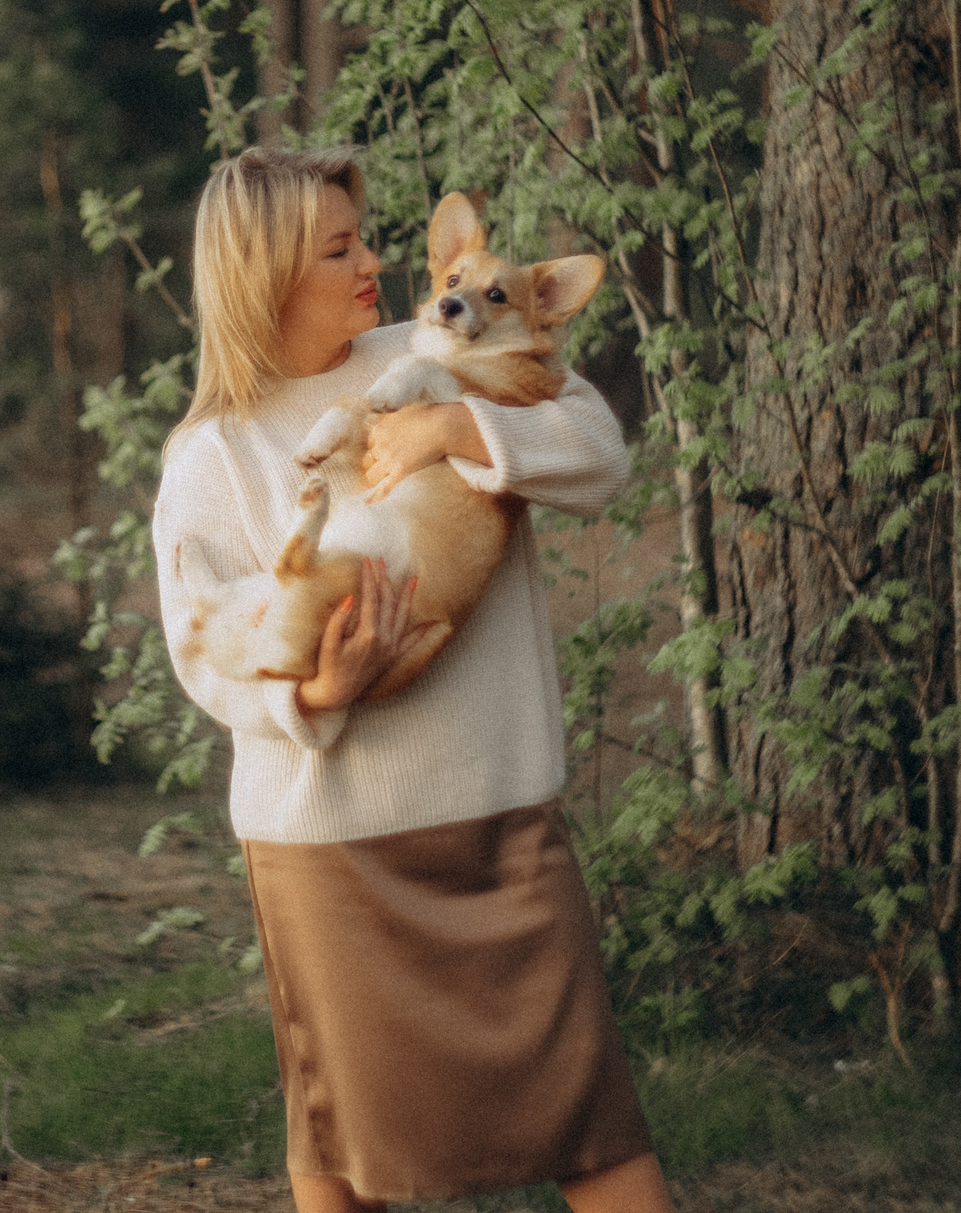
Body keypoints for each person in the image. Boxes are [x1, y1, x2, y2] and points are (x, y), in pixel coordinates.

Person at [153, 145, 673, 1213]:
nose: (375, 263)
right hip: (327, 842)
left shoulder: (447, 344)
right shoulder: (213, 453)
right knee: (342, 1143)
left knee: (591, 1122)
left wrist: (454, 427)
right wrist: (312, 696)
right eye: (341, 247)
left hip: (496, 820)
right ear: (265, 274)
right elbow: (200, 641)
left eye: (365, 238)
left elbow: (600, 455)